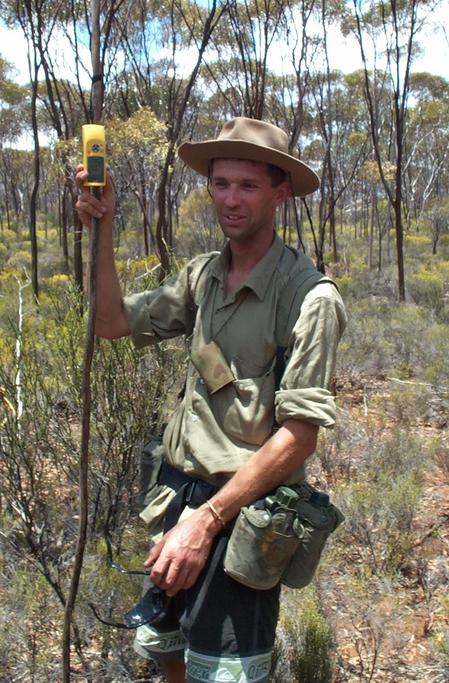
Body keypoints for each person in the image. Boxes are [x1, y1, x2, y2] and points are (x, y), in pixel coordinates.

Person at [76, 117, 347, 683]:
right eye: (221, 183)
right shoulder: (203, 277)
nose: (230, 198)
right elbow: (110, 321)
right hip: (176, 497)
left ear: (281, 192)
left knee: (223, 673)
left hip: (237, 514)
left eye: (248, 186)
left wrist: (207, 521)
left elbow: (299, 434)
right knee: (168, 652)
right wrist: (100, 227)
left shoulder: (308, 296)